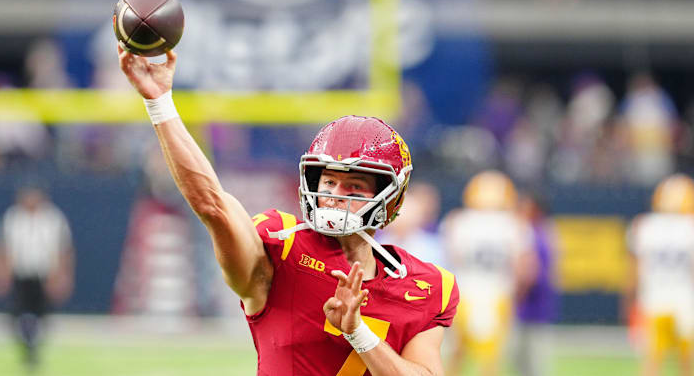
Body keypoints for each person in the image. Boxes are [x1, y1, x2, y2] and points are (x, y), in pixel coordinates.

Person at [117, 44, 459, 375]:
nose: (334, 196)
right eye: (327, 183)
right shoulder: (281, 247)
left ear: (390, 197)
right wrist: (160, 104)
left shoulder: (427, 284)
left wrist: (358, 332)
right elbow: (213, 205)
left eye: (353, 186)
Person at [440, 170, 537, 376]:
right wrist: (516, 295)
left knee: (457, 353)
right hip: (498, 294)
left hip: (464, 293)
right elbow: (524, 268)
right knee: (491, 359)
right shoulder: (515, 224)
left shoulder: (458, 221)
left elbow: (451, 259)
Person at [0, 185, 75, 369]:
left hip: (43, 274)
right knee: (16, 314)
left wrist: (61, 275)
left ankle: (35, 349)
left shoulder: (52, 218)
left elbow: (64, 250)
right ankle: (27, 347)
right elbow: (2, 248)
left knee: (42, 315)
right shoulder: (13, 217)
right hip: (20, 273)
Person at [625, 173, 694, 376]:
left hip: (653, 300)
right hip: (685, 301)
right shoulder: (690, 227)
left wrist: (629, 301)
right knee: (686, 363)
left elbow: (634, 271)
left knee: (652, 362)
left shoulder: (644, 226)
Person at [513, 192, 558, 376]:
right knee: (524, 362)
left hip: (532, 305)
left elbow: (531, 273)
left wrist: (516, 296)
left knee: (531, 362)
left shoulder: (535, 234)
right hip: (535, 305)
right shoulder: (543, 232)